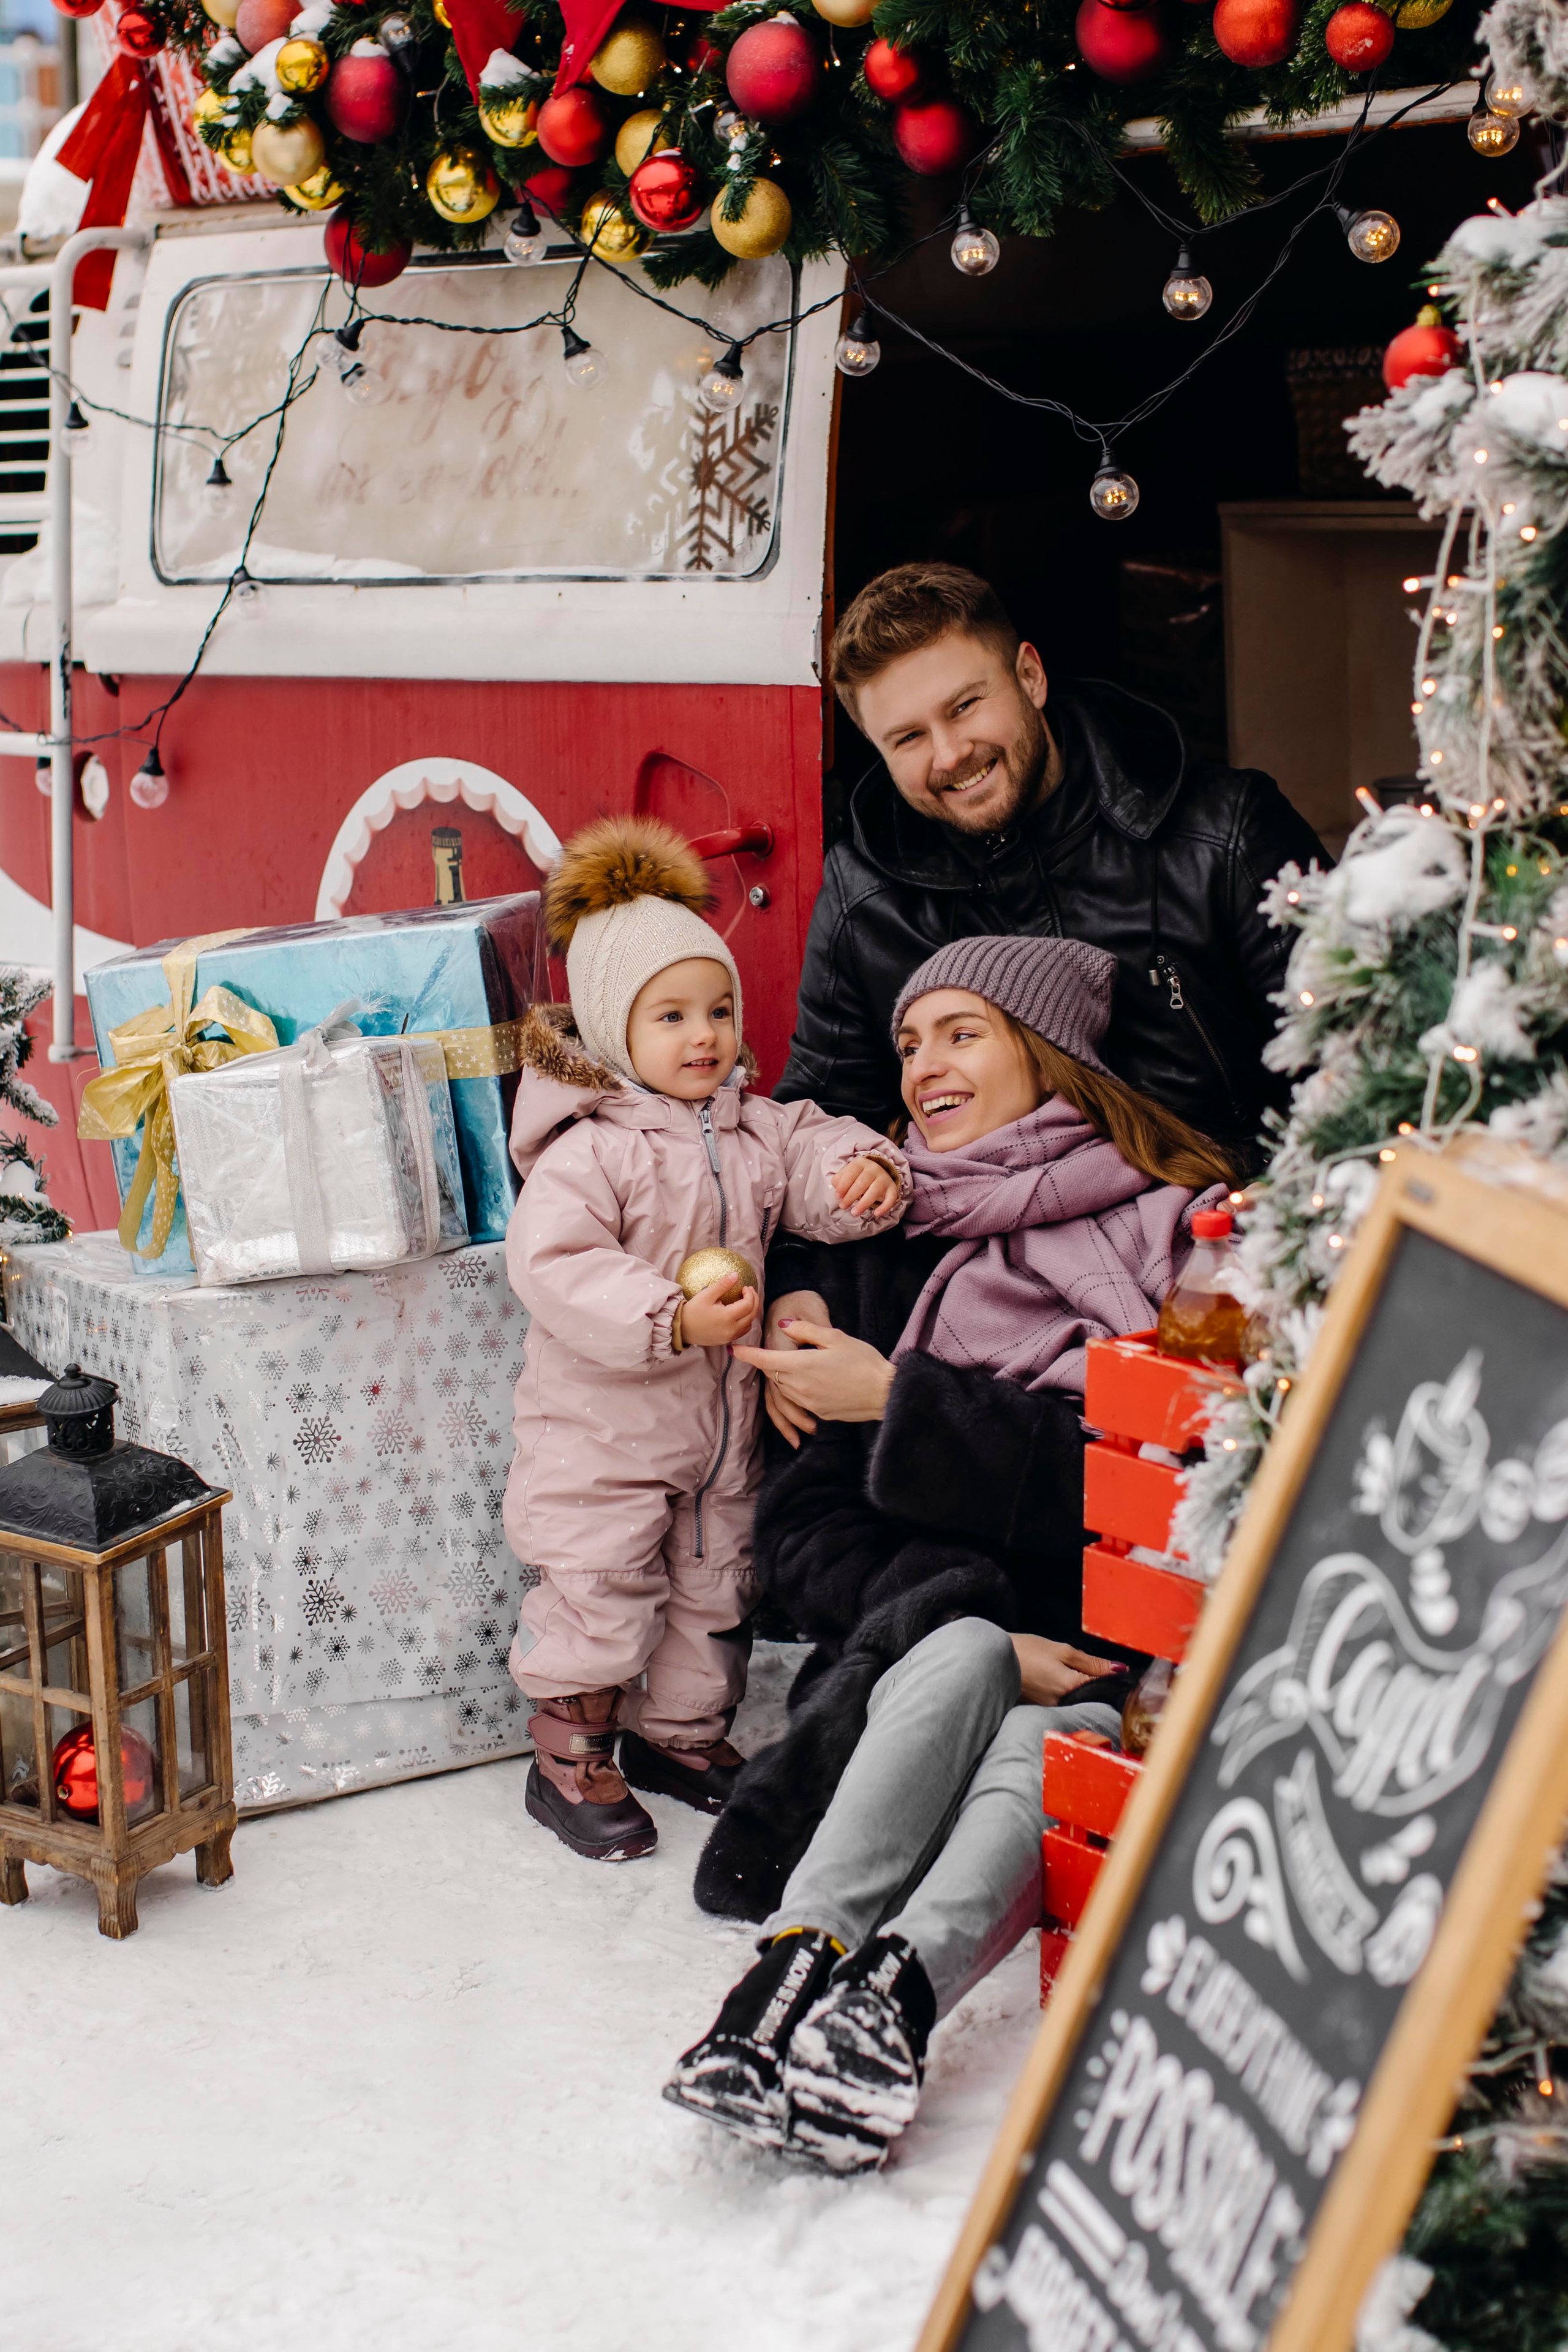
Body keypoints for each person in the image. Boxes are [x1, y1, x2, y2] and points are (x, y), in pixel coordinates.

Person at [663, 933, 1235, 2172]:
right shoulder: (882, 1248)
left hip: (1120, 1672)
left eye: (961, 1032)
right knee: (965, 1646)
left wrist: (909, 1412)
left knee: (1055, 1735)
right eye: (909, 1041)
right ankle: (772, 1997)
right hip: (909, 1707)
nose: (921, 1063)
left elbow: (1198, 1491)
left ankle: (890, 2007)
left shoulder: (1187, 1233)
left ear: (1050, 1054)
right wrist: (973, 1619)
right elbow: (801, 1543)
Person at [503, 816, 910, 1864]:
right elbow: (555, 1266)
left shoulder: (751, 1127)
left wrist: (867, 1174)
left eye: (718, 1009)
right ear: (610, 1032)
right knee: (598, 1577)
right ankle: (573, 1748)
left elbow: (815, 1151)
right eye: (672, 1015)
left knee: (713, 1578)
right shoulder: (591, 1153)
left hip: (722, 1427)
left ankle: (680, 1734)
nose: (705, 1035)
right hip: (607, 1431)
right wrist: (669, 1315)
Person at [776, 561, 1328, 1161]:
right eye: (907, 738)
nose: (950, 754)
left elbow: (1357, 1067)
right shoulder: (862, 893)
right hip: (979, 1240)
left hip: (1225, 1220)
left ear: (1030, 677)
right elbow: (827, 1125)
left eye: (964, 706)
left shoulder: (1226, 831)